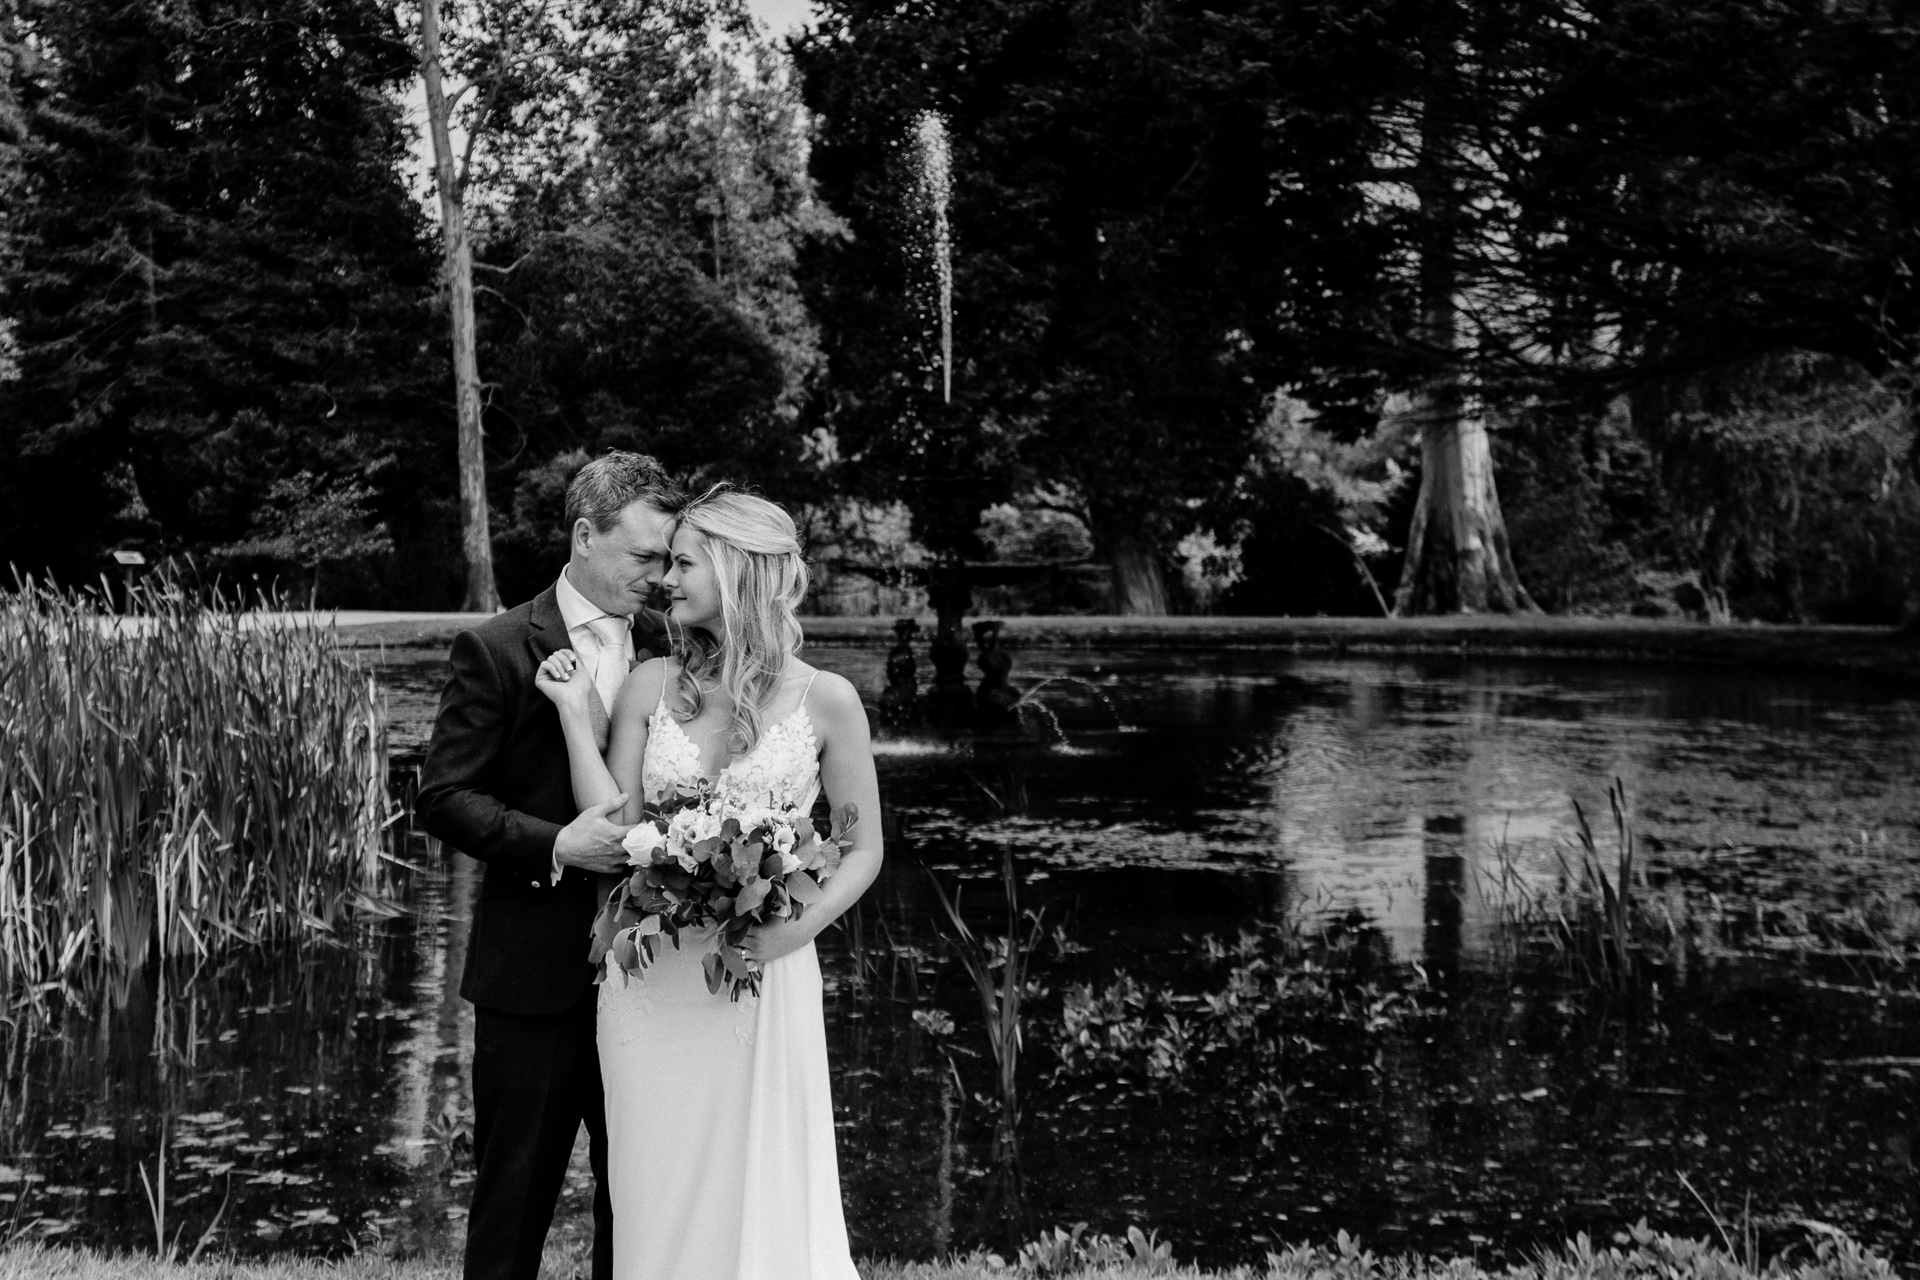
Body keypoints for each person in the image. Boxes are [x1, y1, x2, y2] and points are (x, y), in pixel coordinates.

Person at [533, 483, 883, 1280]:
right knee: (655, 1186)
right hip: (652, 981)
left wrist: (794, 928)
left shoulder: (829, 701)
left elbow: (862, 850)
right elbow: (615, 828)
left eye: (685, 562)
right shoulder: (651, 686)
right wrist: (569, 711)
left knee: (762, 1182)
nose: (668, 579)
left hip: (762, 975)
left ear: (736, 572)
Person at [417, 452, 685, 1280]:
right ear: (584, 535)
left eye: (669, 559)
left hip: (653, 979)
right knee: (512, 1204)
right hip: (532, 977)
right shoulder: (496, 648)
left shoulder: (675, 649)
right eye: (644, 556)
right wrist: (556, 844)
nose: (660, 576)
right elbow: (443, 795)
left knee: (637, 1206)